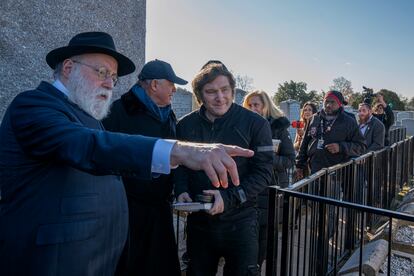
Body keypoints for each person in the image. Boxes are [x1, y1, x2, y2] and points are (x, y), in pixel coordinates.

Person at [0, 32, 254, 276]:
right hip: (54, 260)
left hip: (101, 254)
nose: (110, 83)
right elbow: (90, 146)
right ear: (68, 68)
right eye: (102, 72)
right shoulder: (32, 105)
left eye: (113, 76)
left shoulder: (88, 115)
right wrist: (179, 150)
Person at [174, 63, 273, 276]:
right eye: (211, 92)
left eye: (225, 90)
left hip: (241, 221)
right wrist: (181, 188)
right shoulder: (185, 125)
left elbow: (264, 172)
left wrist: (228, 198)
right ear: (200, 96)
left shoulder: (256, 124)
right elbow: (179, 165)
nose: (220, 97)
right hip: (199, 223)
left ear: (233, 91)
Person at [102, 59, 187, 276]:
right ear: (155, 85)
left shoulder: (168, 115)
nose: (175, 90)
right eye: (171, 83)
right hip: (129, 212)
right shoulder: (118, 112)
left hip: (160, 210)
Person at [242, 90, 295, 269]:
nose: (253, 108)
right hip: (248, 184)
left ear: (266, 106)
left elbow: (289, 160)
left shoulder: (279, 128)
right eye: (249, 105)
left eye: (257, 104)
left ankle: (255, 267)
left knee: (264, 235)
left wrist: (267, 157)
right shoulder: (243, 125)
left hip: (271, 186)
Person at [296, 90, 366, 178]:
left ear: (340, 104)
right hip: (315, 170)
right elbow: (305, 142)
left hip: (338, 172)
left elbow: (361, 146)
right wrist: (299, 165)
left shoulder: (349, 121)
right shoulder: (314, 118)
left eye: (332, 102)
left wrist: (340, 147)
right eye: (327, 101)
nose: (329, 105)